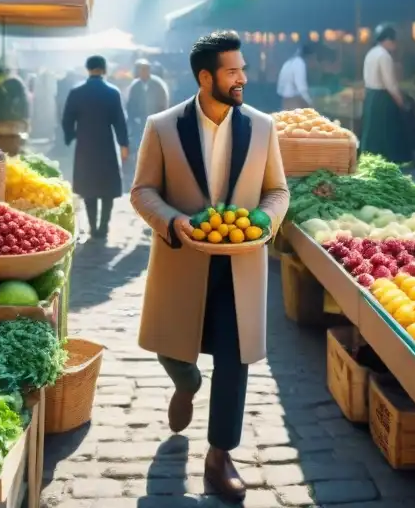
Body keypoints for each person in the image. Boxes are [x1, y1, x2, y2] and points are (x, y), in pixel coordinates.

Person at [130, 31, 290, 503]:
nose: (243, 78)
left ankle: (220, 456)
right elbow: (142, 191)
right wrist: (172, 221)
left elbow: (277, 191)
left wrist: (266, 223)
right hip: (183, 258)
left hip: (240, 263)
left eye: (242, 69)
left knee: (234, 359)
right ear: (206, 77)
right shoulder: (162, 126)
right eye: (233, 71)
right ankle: (185, 381)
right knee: (172, 349)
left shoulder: (262, 126)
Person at [62, 56, 130, 239]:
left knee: (89, 188)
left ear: (88, 68)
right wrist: (124, 144)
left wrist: (71, 136)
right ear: (104, 69)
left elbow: (67, 119)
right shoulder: (112, 92)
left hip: (85, 146)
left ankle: (92, 227)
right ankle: (104, 227)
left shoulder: (77, 92)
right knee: (107, 188)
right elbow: (120, 122)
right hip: (107, 145)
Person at [361, 25, 409, 162]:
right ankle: (386, 161)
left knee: (371, 131)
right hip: (382, 98)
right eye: (394, 41)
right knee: (384, 132)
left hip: (371, 95)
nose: (395, 45)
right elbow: (390, 84)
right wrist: (400, 101)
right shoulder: (384, 56)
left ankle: (369, 160)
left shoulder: (371, 53)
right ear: (388, 40)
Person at [126, 59, 170, 148]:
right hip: (139, 124)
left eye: (145, 69)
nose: (143, 72)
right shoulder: (135, 86)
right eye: (141, 70)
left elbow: (163, 104)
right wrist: (134, 118)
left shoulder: (158, 85)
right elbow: (130, 105)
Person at [277, 44, 316, 110]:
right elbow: (301, 87)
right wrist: (310, 103)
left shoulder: (289, 62)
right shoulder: (299, 63)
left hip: (285, 100)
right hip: (294, 101)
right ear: (309, 57)